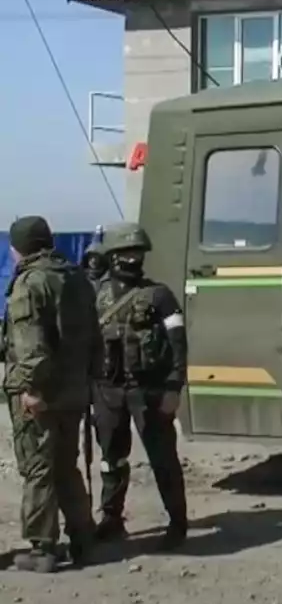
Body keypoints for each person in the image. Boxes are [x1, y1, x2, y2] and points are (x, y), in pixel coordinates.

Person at [2, 215, 99, 572]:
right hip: (74, 391)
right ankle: (83, 539)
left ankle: (43, 548)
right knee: (65, 467)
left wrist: (31, 388)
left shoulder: (30, 283)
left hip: (42, 393)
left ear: (18, 248)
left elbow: (32, 349)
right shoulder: (76, 277)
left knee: (38, 469)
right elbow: (94, 337)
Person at [91, 224, 189, 551]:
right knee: (110, 458)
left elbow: (178, 345)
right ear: (112, 256)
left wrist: (174, 387)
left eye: (137, 253)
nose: (132, 259)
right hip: (107, 391)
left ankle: (178, 522)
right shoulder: (95, 294)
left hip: (150, 391)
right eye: (126, 254)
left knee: (164, 459)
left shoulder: (160, 296)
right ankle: (111, 518)